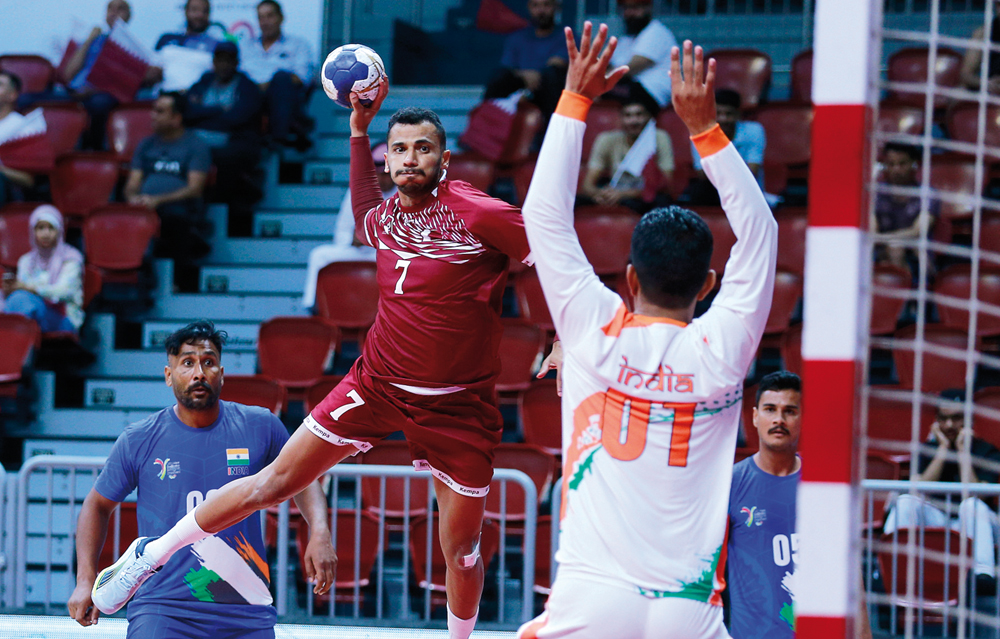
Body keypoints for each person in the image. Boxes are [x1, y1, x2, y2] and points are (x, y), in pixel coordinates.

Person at [91, 73, 533, 639]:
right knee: (271, 481)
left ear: (444, 158)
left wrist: (564, 339)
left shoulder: (477, 212)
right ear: (388, 158)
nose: (409, 158)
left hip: (457, 405)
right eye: (398, 148)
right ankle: (151, 555)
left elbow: (554, 250)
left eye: (423, 147)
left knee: (462, 549)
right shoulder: (386, 218)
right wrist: (356, 131)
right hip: (376, 385)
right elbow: (364, 201)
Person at [517, 29, 777, 638]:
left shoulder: (593, 326)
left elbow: (543, 215)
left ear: (629, 278)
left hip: (590, 597)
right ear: (709, 283)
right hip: (690, 607)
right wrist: (706, 131)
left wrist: (574, 99)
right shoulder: (722, 349)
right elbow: (760, 229)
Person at [71, 321, 335, 636]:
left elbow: (304, 478)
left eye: (208, 362)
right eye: (187, 363)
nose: (199, 372)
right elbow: (96, 505)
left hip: (245, 609)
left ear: (221, 374)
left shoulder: (261, 426)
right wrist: (85, 579)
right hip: (162, 608)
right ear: (168, 376)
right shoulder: (139, 438)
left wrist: (319, 531)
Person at [883, 389, 1000, 595]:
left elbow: (974, 493)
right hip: (936, 519)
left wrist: (963, 451)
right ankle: (894, 568)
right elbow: (917, 487)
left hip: (974, 524)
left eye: (956, 418)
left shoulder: (986, 451)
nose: (949, 425)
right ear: (936, 420)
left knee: (971, 506)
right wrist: (943, 450)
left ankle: (983, 576)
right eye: (944, 419)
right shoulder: (926, 449)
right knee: (906, 501)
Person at [725, 371, 801, 639]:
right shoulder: (730, 484)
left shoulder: (822, 485)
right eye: (770, 409)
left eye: (790, 411)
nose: (779, 419)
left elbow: (850, 574)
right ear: (755, 417)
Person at [124, 92, 212, 292]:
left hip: (179, 207)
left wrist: (158, 200)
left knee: (174, 219)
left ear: (176, 118)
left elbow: (195, 188)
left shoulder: (195, 146)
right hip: (145, 207)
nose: (153, 116)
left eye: (160, 111)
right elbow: (133, 182)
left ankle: (175, 282)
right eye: (154, 110)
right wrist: (133, 198)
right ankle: (134, 280)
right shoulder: (146, 144)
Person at [301, 141, 393, 310]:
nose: (384, 178)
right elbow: (341, 232)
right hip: (362, 252)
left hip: (393, 256)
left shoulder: (410, 192)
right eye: (380, 174)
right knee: (319, 255)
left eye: (388, 174)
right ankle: (314, 309)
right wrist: (353, 239)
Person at [186, 41, 265, 237]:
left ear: (236, 62)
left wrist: (203, 117)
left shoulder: (247, 86)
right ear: (213, 62)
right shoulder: (204, 81)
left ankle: (204, 219)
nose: (223, 65)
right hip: (200, 141)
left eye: (228, 61)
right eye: (219, 60)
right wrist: (218, 110)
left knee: (221, 158)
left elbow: (237, 119)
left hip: (233, 142)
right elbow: (187, 111)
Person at [579, 85, 673, 214]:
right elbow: (588, 185)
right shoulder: (606, 139)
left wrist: (623, 194)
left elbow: (665, 183)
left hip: (640, 198)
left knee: (661, 202)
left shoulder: (659, 138)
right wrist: (601, 194)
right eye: (628, 115)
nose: (633, 121)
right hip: (614, 193)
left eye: (639, 115)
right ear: (620, 119)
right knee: (574, 202)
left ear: (649, 117)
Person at [55, 0, 134, 149]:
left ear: (129, 16)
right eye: (110, 8)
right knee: (28, 100)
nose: (114, 13)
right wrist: (89, 40)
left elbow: (123, 81)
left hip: (101, 93)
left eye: (120, 9)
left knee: (98, 104)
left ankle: (92, 151)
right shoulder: (94, 39)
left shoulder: (131, 47)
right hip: (74, 91)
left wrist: (94, 89)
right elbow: (68, 74)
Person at [241, 0, 315, 150]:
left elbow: (301, 78)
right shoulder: (245, 46)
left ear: (281, 18)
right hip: (250, 97)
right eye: (261, 17)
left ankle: (279, 138)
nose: (265, 22)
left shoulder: (299, 45)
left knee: (281, 79)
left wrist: (268, 85)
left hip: (282, 96)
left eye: (270, 16)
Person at [1, 205, 84, 334]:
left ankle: (16, 347)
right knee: (16, 299)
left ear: (60, 231)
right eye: (40, 228)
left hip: (62, 318)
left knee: (21, 300)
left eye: (51, 228)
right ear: (33, 231)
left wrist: (31, 289)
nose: (46, 234)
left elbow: (64, 291)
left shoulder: (71, 258)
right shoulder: (26, 261)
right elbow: (22, 289)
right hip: (32, 311)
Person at [484, 0, 568, 117]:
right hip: (520, 88)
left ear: (556, 8)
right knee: (498, 76)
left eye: (546, 5)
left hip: (550, 93)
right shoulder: (517, 38)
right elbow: (508, 68)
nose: (541, 11)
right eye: (535, 5)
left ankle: (551, 130)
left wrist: (536, 76)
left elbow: (558, 64)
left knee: (552, 76)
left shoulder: (567, 36)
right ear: (529, 8)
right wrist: (525, 77)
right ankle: (486, 124)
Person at [689, 89, 765, 205]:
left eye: (728, 114)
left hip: (747, 195)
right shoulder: (700, 134)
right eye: (718, 114)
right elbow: (703, 175)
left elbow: (752, 172)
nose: (723, 119)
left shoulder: (754, 131)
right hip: (713, 193)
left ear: (738, 114)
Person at [873, 142, 938, 275]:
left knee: (896, 247)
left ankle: (907, 291)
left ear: (913, 164)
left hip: (918, 256)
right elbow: (872, 231)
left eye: (902, 164)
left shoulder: (927, 194)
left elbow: (917, 231)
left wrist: (885, 239)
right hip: (882, 252)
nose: (896, 169)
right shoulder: (875, 193)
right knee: (892, 249)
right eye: (891, 164)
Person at [608, 0, 676, 108]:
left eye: (635, 8)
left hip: (654, 94)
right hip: (632, 87)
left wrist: (600, 78)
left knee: (602, 89)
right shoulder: (627, 38)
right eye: (626, 8)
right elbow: (609, 64)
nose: (630, 13)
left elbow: (630, 69)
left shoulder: (657, 31)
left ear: (648, 8)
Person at [152, 0, 227, 93]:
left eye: (205, 11)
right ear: (186, 11)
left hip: (198, 100)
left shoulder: (217, 45)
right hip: (164, 97)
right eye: (195, 10)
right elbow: (152, 71)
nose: (199, 15)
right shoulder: (166, 39)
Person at [0, 72, 35, 205]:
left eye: (0, 85)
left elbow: (28, 180)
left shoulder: (24, 129)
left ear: (12, 95)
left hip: (10, 192)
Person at [960, 0, 1000, 93]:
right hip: (992, 90)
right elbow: (966, 75)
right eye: (999, 5)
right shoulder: (983, 34)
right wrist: (986, 83)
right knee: (959, 90)